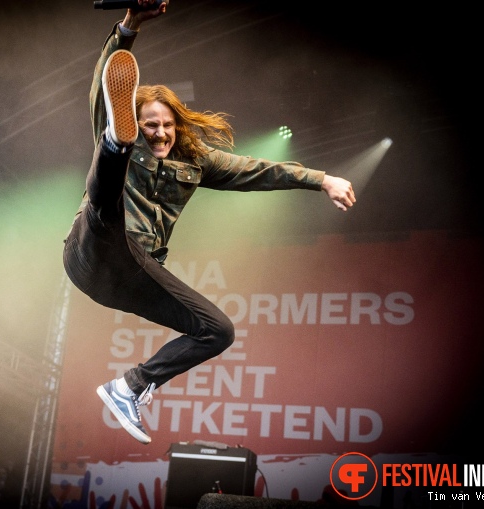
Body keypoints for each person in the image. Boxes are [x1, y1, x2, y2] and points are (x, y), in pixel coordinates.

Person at [62, 0, 356, 445]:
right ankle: (113, 142)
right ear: (136, 125)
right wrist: (131, 23)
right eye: (148, 126)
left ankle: (132, 386)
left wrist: (322, 180)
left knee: (217, 331)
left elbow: (260, 171)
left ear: (178, 127)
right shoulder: (129, 133)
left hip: (128, 275)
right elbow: (105, 80)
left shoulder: (197, 162)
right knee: (106, 202)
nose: (159, 133)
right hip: (93, 246)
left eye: (166, 126)